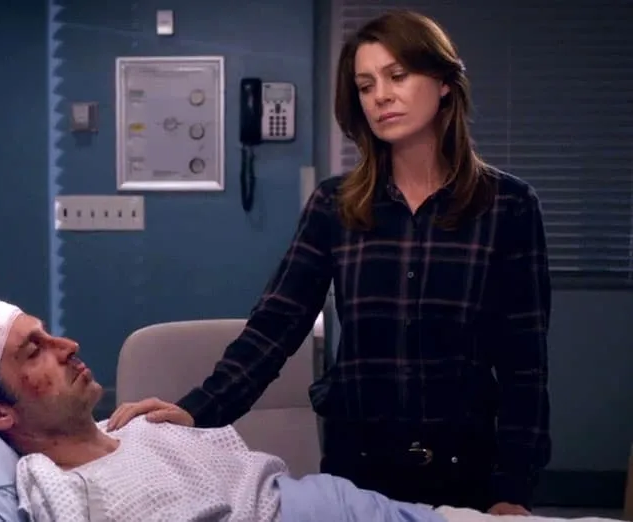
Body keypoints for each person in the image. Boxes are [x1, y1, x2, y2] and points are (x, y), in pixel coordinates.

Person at [106, 8, 552, 516]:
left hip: (465, 467)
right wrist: (195, 410)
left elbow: (524, 363)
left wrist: (512, 490)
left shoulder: (508, 206)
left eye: (397, 76)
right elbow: (276, 325)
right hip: (360, 468)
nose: (381, 96)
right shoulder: (335, 204)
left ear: (444, 82)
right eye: (365, 85)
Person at [0, 297, 576, 522]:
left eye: (50, 334)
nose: (68, 346)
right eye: (35, 351)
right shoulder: (60, 490)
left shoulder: (136, 425)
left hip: (353, 504)